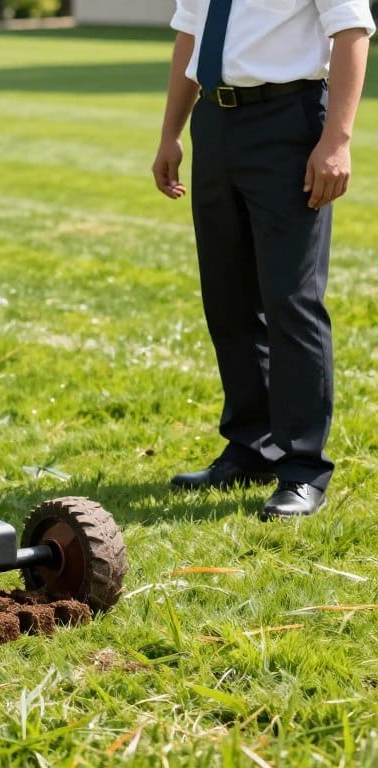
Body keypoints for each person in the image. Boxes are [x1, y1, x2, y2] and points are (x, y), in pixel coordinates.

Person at [152, 0, 373, 520]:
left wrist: (337, 141)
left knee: (290, 300)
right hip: (214, 122)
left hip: (288, 122)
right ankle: (252, 447)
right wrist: (170, 134)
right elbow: (190, 35)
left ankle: (303, 468)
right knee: (227, 298)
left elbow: (352, 31)